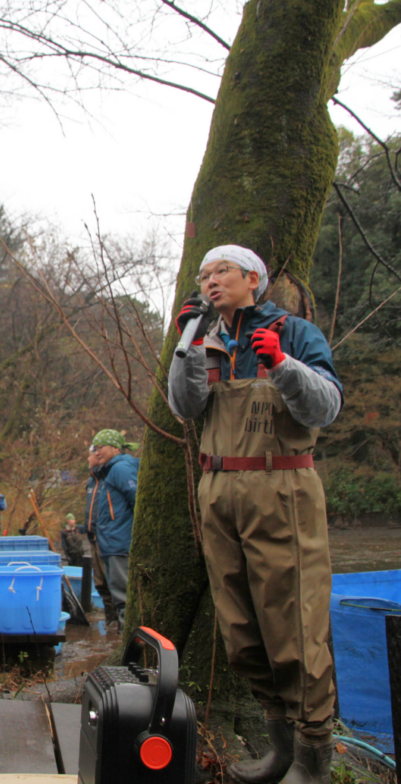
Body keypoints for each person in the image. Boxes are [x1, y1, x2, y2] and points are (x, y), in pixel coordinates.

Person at [169, 245, 342, 784]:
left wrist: (282, 364)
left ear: (253, 279)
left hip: (281, 485)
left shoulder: (294, 332)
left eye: (221, 271)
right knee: (240, 626)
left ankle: (313, 755)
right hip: (219, 487)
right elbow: (183, 407)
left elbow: (327, 408)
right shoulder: (210, 338)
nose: (210, 280)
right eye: (203, 274)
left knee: (294, 621)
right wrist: (188, 344)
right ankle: (280, 748)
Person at [84, 430, 138, 629]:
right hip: (110, 544)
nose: (97, 453)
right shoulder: (107, 472)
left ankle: (128, 641)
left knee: (123, 596)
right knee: (116, 593)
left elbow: (137, 499)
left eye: (101, 448)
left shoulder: (121, 469)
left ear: (116, 448)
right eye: (95, 449)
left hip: (120, 543)